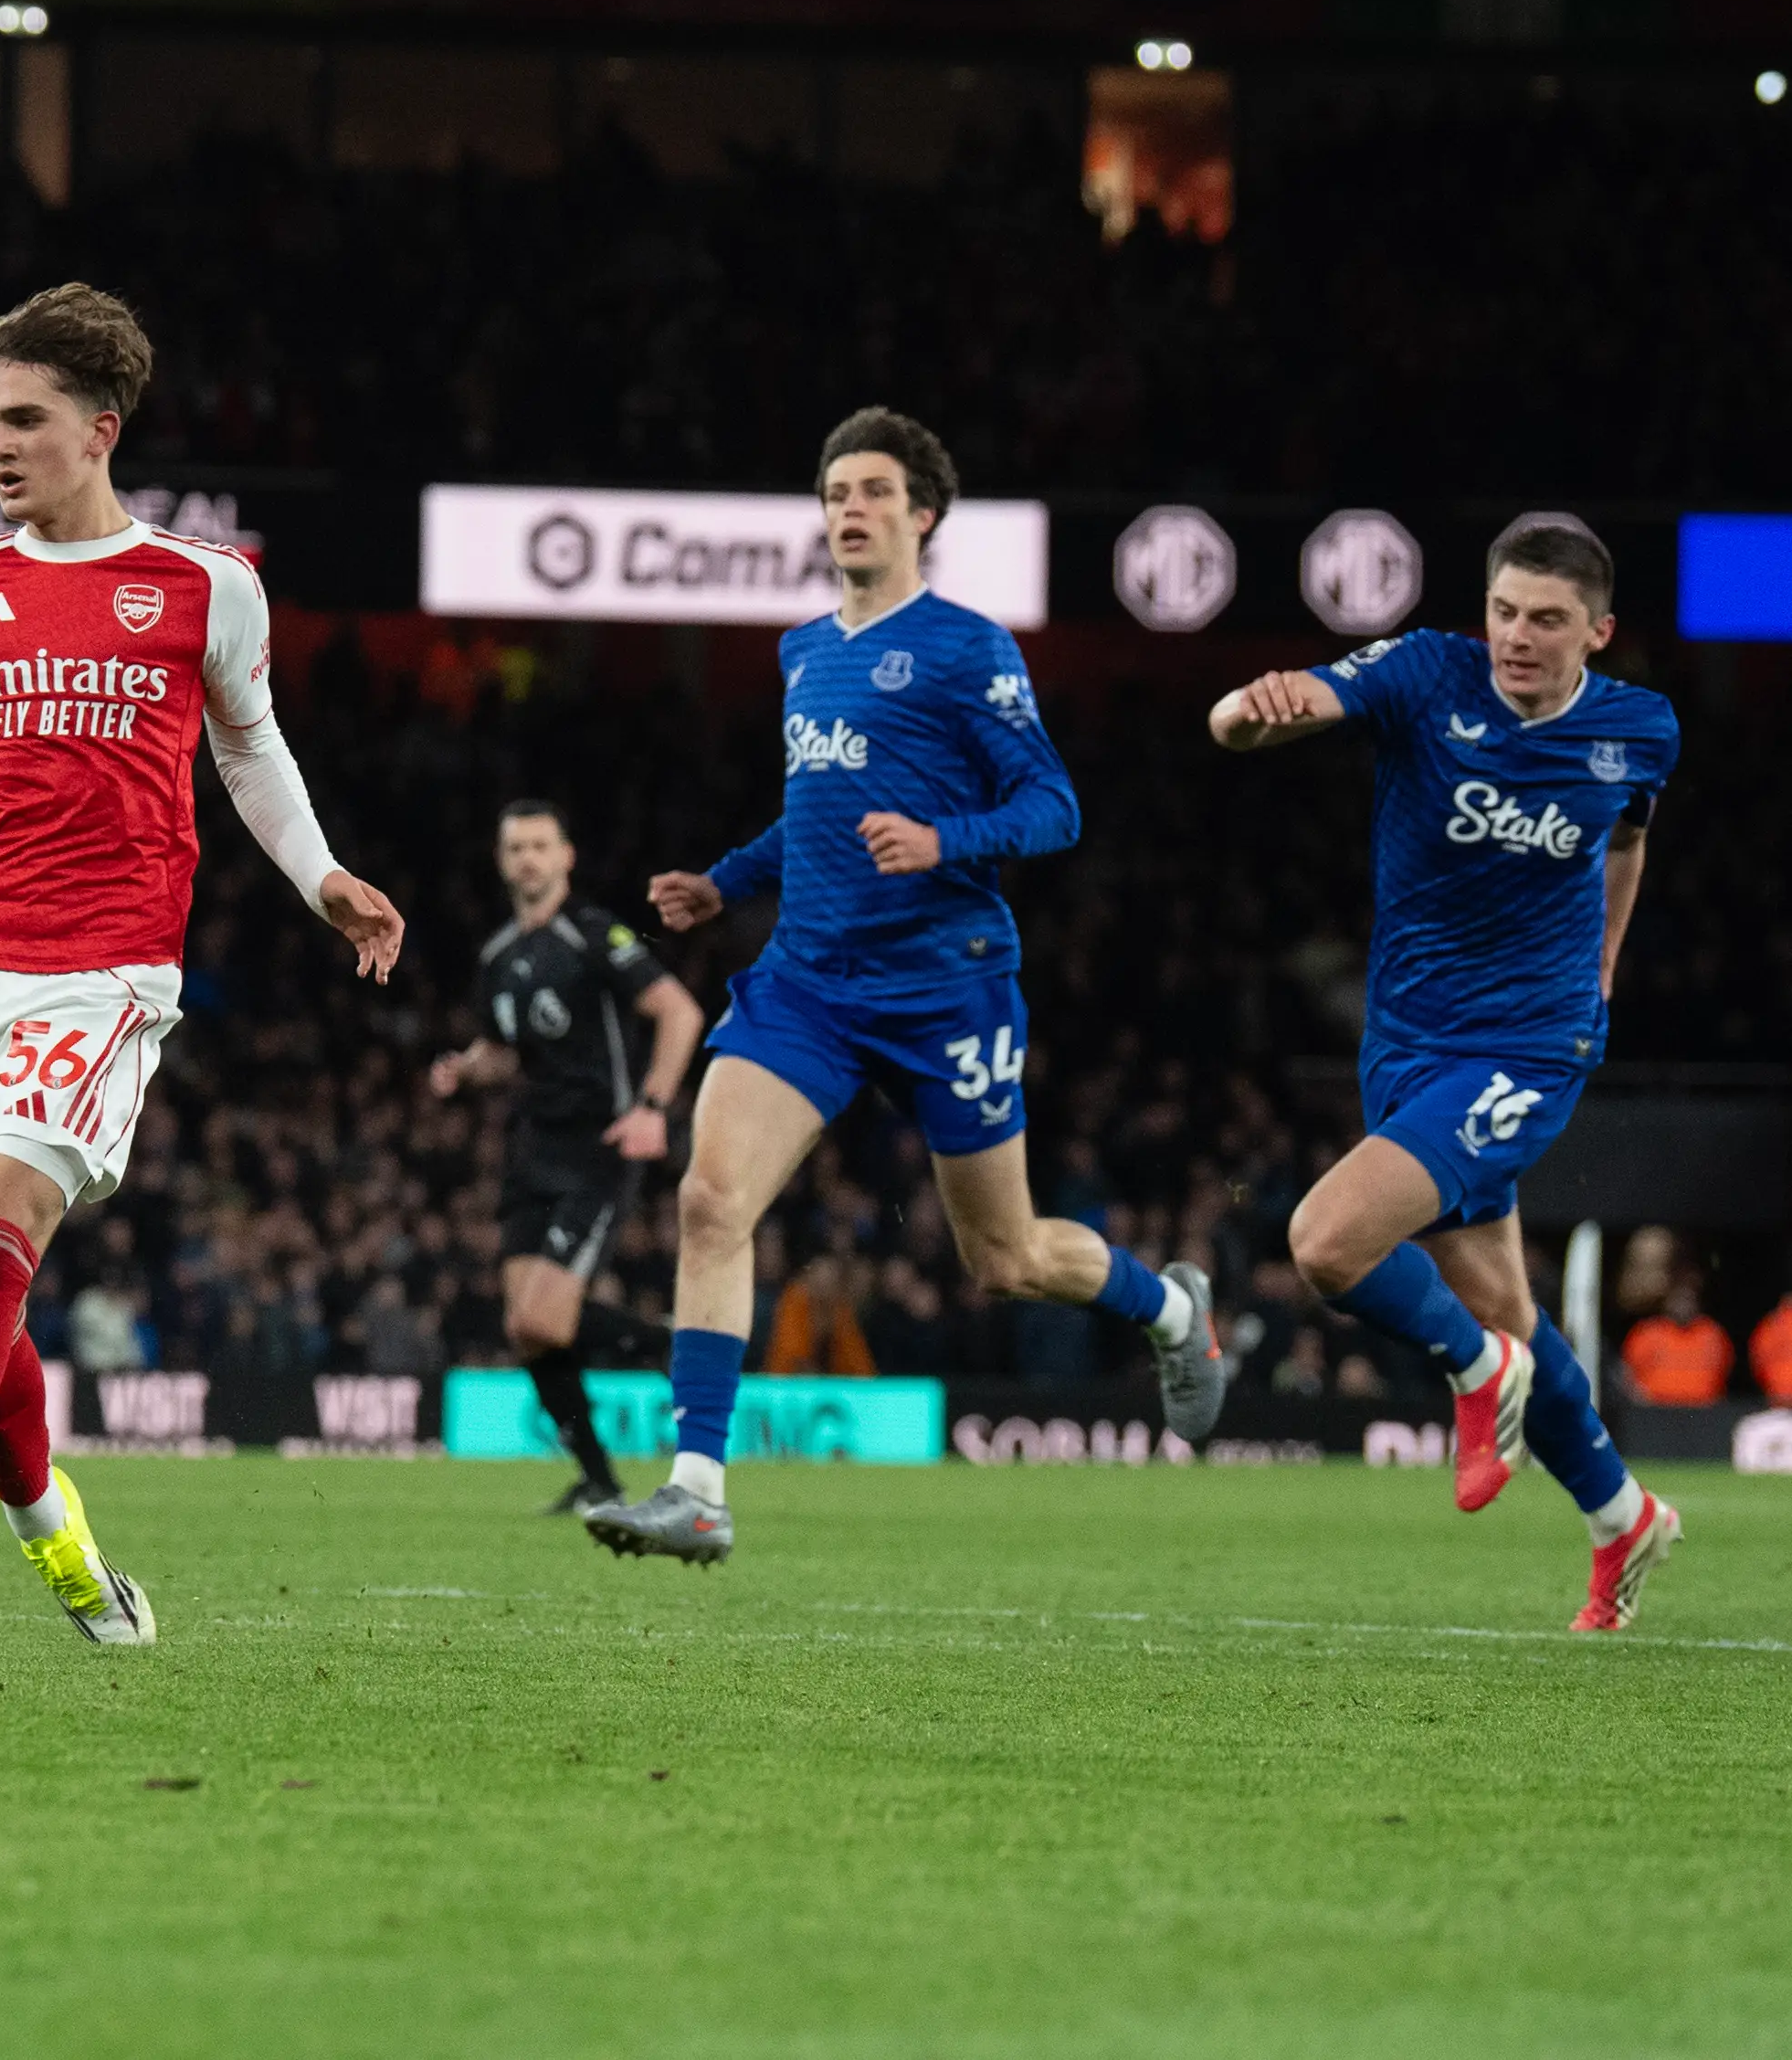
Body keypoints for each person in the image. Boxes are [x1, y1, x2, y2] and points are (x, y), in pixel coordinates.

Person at [0, 282, 405, 1643]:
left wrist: (320, 877)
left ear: (99, 429)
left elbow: (246, 746)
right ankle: (60, 1545)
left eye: (23, 419)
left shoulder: (202, 587)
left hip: (104, 976)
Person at [585, 410, 1223, 1568]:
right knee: (709, 1200)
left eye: (873, 491)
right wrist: (722, 884)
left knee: (1007, 1259)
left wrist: (944, 841)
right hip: (808, 985)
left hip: (946, 987)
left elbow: (1054, 807)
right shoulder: (803, 652)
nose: (849, 508)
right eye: (835, 491)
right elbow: (816, 815)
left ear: (923, 514)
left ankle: (1170, 1309)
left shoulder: (968, 648)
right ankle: (697, 1488)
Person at [1209, 512, 1682, 1631]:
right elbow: (1251, 720)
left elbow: (1625, 841)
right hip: (1407, 1041)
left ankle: (1474, 1374)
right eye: (1504, 612)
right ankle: (1622, 1520)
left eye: (1548, 621)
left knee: (1326, 1242)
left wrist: (1602, 973)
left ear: (1596, 633)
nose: (1518, 636)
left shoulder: (1639, 730)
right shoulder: (1428, 671)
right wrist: (1251, 712)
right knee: (1512, 1308)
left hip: (1530, 1044)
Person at [427, 799, 703, 1513]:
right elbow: (503, 1050)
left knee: (545, 1321)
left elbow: (678, 1010)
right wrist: (464, 1068)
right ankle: (598, 1480)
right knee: (526, 1329)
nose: (527, 858)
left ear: (564, 857)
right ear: (501, 860)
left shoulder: (592, 935)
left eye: (539, 846)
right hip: (532, 1149)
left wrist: (651, 1108)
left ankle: (672, 1343)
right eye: (515, 847)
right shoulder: (499, 956)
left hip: (597, 1148)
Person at [1618, 1280, 1732, 1408]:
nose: (1683, 1305)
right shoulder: (1648, 1333)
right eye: (1678, 1299)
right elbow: (1627, 1375)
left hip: (1701, 1413)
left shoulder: (1711, 1334)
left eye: (1689, 1299)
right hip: (1654, 1411)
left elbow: (1723, 1373)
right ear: (1667, 1301)